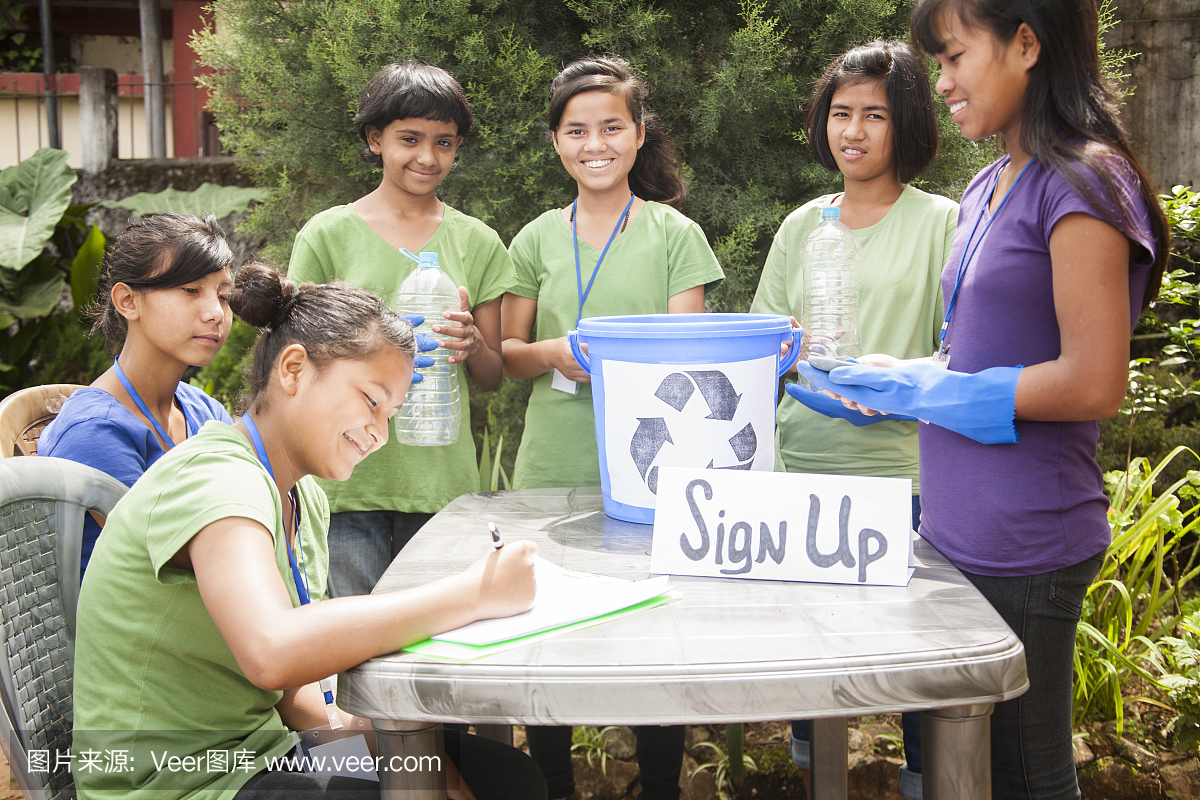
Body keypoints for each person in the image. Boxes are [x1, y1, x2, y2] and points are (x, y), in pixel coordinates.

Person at [799, 2, 1170, 798]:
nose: (941, 83)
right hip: (954, 534)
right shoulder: (987, 184)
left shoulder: (1084, 180)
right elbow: (974, 353)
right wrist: (901, 376)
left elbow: (1094, 380)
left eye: (955, 57)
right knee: (962, 775)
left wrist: (932, 389)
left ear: (1026, 44)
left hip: (1027, 547)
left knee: (1024, 778)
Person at [71, 263, 547, 800]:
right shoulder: (218, 479)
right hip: (176, 782)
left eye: (391, 414)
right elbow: (272, 650)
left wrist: (390, 754)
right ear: (293, 369)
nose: (380, 433)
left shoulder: (305, 497)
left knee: (505, 779)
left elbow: (292, 692)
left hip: (263, 752)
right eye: (371, 401)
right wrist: (475, 593)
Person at [500, 56, 724, 800]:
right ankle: (552, 786)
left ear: (638, 134)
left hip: (656, 469)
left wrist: (624, 362)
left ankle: (659, 786)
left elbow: (687, 357)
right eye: (576, 131)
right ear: (555, 142)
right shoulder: (535, 237)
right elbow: (509, 353)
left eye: (611, 127)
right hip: (551, 464)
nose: (594, 144)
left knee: (658, 637)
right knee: (545, 634)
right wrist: (554, 354)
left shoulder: (675, 234)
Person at [751, 40, 956, 800]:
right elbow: (767, 342)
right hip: (806, 466)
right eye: (842, 113)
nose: (854, 131)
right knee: (814, 657)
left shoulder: (943, 221)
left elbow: (961, 348)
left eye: (875, 114)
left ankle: (926, 779)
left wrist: (899, 386)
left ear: (907, 123)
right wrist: (786, 354)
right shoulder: (802, 225)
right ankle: (818, 777)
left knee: (921, 654)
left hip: (906, 477)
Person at [288, 61, 514, 598]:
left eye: (444, 143)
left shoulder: (477, 242)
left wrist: (473, 345)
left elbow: (492, 377)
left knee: (436, 637)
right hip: (347, 479)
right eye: (409, 139)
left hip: (440, 486)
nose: (427, 157)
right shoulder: (327, 235)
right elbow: (293, 355)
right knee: (354, 640)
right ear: (375, 139)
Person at [40, 213, 234, 573]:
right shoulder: (94, 430)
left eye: (224, 296)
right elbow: (172, 556)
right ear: (128, 301)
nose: (216, 313)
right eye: (190, 290)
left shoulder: (205, 412)